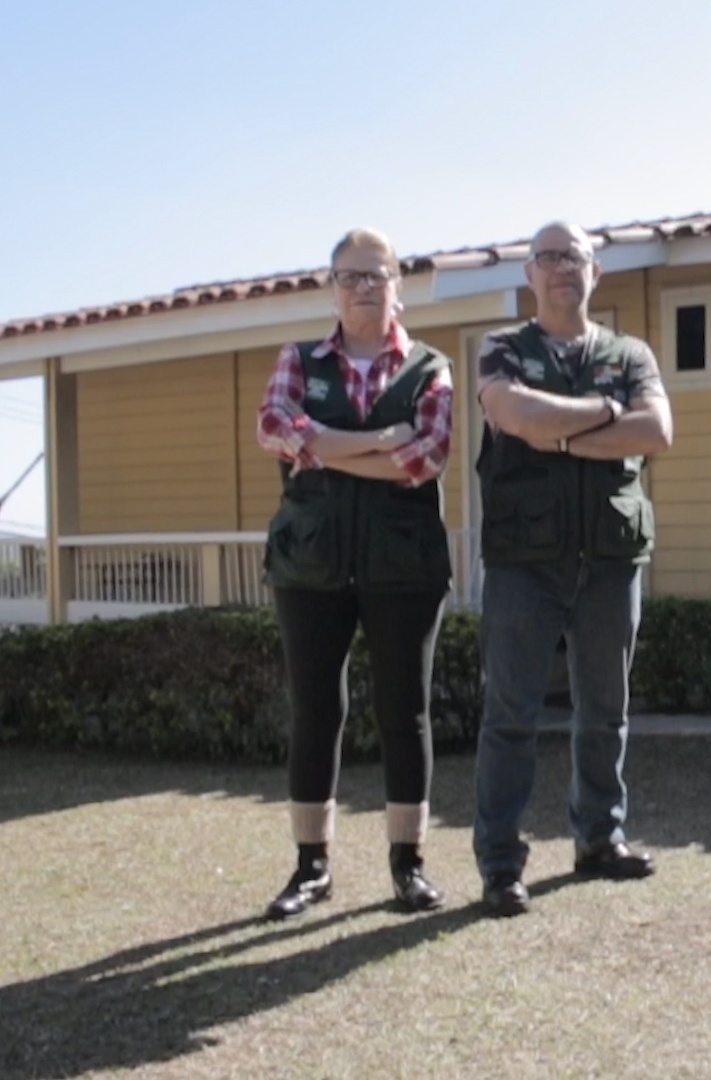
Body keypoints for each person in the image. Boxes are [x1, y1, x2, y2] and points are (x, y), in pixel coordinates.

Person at [470, 221, 674, 917]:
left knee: (605, 711)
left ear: (596, 273)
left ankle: (599, 838)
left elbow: (657, 433)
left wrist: (559, 432)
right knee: (511, 716)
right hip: (525, 562)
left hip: (610, 560)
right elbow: (512, 412)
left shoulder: (630, 352)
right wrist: (603, 413)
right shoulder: (503, 349)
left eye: (574, 257)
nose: (561, 268)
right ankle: (501, 865)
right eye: (547, 257)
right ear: (529, 274)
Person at [255, 227, 456, 920]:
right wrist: (375, 442)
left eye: (378, 275)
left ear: (398, 284)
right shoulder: (297, 359)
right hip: (310, 564)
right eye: (351, 276)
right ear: (332, 285)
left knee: (407, 712)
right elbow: (276, 429)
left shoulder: (431, 368)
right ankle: (311, 868)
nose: (365, 287)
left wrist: (322, 446)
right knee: (317, 710)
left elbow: (425, 458)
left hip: (404, 566)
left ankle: (409, 864)